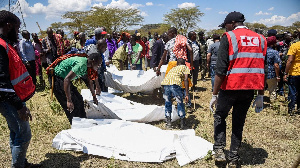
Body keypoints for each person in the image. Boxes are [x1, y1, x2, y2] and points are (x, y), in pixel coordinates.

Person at [209, 11, 267, 167]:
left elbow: (220, 69)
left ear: (232, 23)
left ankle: (220, 150)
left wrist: (214, 94)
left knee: (220, 116)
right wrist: (260, 95)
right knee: (238, 121)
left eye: (226, 26)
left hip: (230, 87)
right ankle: (234, 157)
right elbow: (262, 68)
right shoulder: (261, 39)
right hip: (249, 89)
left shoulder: (229, 37)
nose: (225, 29)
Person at [0, 10, 41, 168]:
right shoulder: (1, 46)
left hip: (11, 97)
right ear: (9, 26)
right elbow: (2, 82)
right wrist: (19, 106)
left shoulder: (5, 44)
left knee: (16, 131)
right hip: (8, 100)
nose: (18, 32)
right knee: (24, 134)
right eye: (17, 29)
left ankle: (21, 163)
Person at [52, 39, 107, 124]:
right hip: (58, 79)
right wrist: (69, 100)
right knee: (72, 105)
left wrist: (94, 96)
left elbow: (90, 82)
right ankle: (75, 124)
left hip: (66, 79)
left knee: (79, 100)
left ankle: (83, 122)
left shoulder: (89, 67)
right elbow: (67, 79)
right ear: (92, 62)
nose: (99, 67)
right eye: (98, 64)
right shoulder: (81, 65)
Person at [161, 58, 189, 129]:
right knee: (179, 102)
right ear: (184, 63)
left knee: (167, 102)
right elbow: (186, 79)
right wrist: (187, 94)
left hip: (165, 84)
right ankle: (182, 122)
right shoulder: (185, 67)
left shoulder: (173, 69)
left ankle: (168, 123)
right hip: (175, 85)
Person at [284, 34, 300, 115]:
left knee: (292, 92)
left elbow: (289, 60)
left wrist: (285, 73)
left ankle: (291, 110)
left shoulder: (294, 46)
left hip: (295, 72)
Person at [266, 36, 281, 102]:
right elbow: (276, 65)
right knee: (272, 90)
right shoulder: (274, 52)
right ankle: (273, 104)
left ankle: (259, 104)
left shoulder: (262, 51)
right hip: (271, 74)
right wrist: (277, 76)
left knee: (260, 90)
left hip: (262, 73)